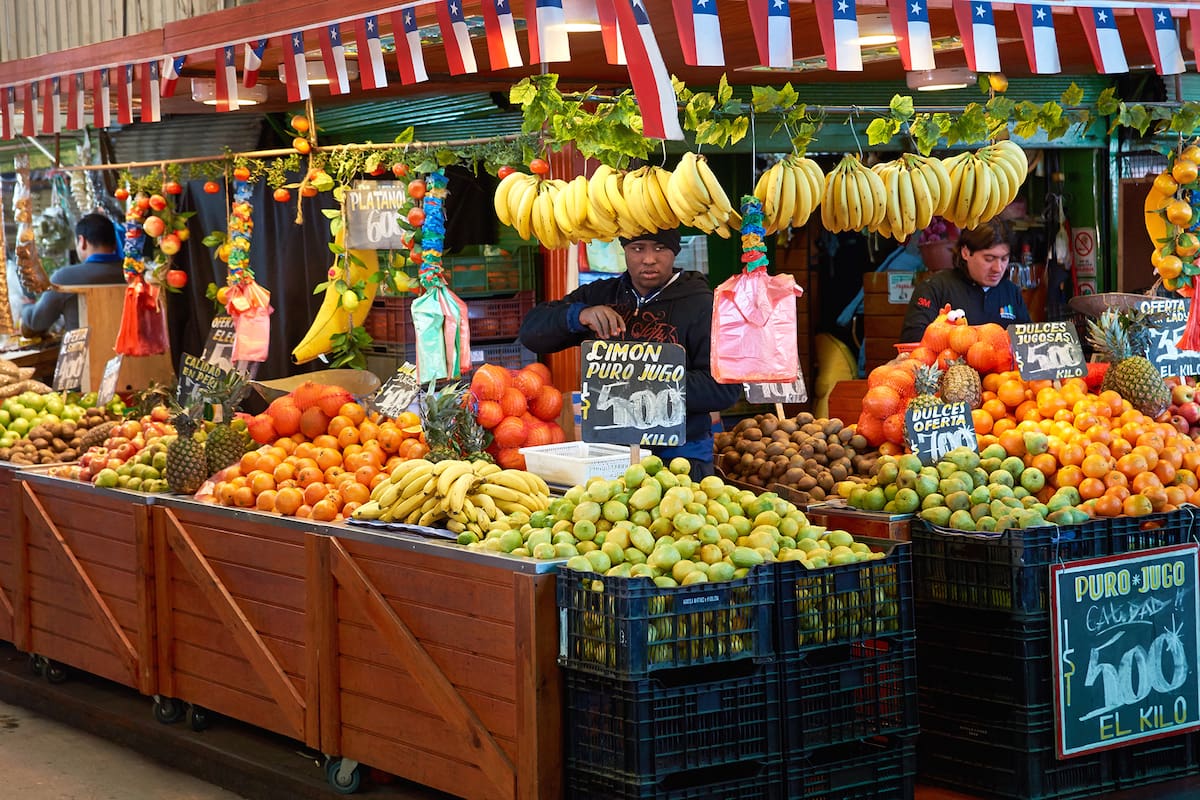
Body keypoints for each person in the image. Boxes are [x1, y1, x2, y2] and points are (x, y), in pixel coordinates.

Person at [519, 228, 740, 478]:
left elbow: (725, 389)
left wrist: (640, 384)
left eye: (659, 248)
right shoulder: (600, 295)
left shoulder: (703, 305)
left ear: (675, 251)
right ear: (624, 250)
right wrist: (578, 315)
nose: (648, 259)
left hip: (681, 460)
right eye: (638, 248)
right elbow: (531, 333)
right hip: (607, 458)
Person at [898, 219, 1031, 343]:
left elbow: (1027, 343)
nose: (998, 268)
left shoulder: (1011, 292)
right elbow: (913, 342)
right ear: (965, 253)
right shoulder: (934, 288)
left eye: (1004, 259)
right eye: (989, 259)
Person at [20, 213, 125, 337]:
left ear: (82, 241)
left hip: (83, 355)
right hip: (130, 354)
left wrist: (25, 306)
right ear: (114, 243)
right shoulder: (133, 274)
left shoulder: (66, 278)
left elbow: (37, 321)